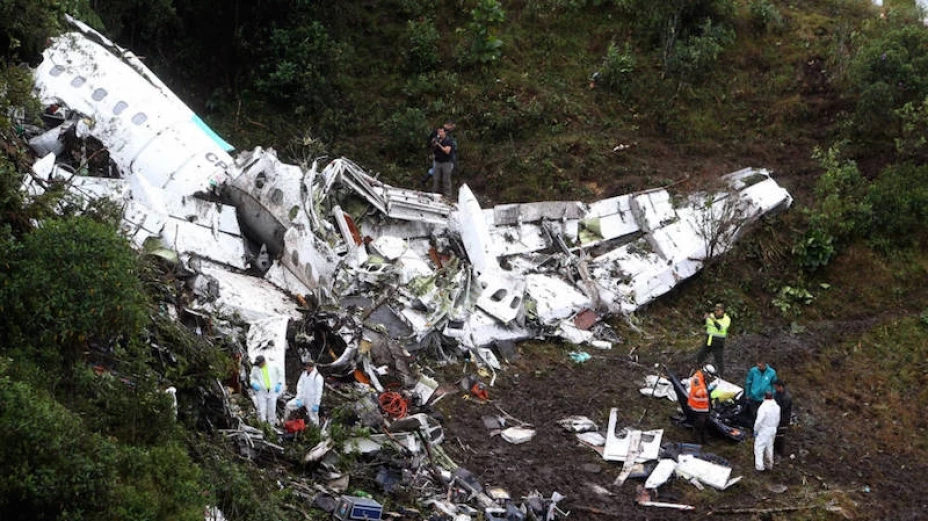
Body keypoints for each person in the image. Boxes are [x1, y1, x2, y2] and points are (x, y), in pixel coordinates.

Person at [285, 359, 325, 426]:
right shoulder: (304, 374)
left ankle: (315, 430)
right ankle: (285, 423)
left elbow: (319, 392)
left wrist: (316, 404)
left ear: (313, 366)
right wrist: (298, 398)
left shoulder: (318, 377)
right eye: (307, 366)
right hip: (302, 398)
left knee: (313, 418)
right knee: (288, 406)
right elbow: (299, 385)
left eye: (310, 366)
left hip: (311, 400)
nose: (308, 368)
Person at [696, 303, 731, 377]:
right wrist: (704, 318)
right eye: (716, 310)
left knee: (719, 360)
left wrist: (713, 319)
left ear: (723, 311)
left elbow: (720, 328)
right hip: (709, 340)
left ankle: (721, 375)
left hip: (718, 342)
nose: (716, 312)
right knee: (700, 355)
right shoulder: (711, 315)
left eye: (718, 310)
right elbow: (704, 324)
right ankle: (696, 370)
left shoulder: (727, 319)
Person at [249, 355, 283, 425]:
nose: (258, 365)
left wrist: (279, 383)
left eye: (259, 364)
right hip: (261, 392)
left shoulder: (273, 365)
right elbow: (252, 377)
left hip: (272, 391)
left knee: (272, 409)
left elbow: (281, 373)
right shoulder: (255, 368)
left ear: (263, 362)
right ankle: (263, 425)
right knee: (261, 410)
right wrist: (253, 384)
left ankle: (271, 425)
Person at [753, 391, 781, 471]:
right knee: (769, 447)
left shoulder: (763, 407)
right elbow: (778, 419)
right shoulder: (777, 407)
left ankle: (759, 467)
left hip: (764, 429)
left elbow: (759, 420)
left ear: (764, 397)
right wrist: (775, 427)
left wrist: (756, 429)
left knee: (759, 447)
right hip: (773, 429)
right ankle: (769, 464)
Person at [687, 365, 715, 444]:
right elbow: (698, 391)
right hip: (697, 406)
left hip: (704, 406)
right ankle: (697, 441)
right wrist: (707, 390)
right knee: (699, 424)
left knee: (706, 423)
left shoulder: (703, 379)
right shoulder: (696, 378)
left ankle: (706, 439)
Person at [429, 126, 456, 197]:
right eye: (438, 132)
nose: (439, 133)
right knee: (436, 179)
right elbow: (433, 149)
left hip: (446, 163)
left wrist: (439, 144)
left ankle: (448, 195)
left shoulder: (449, 141)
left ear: (444, 132)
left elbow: (446, 151)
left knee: (446, 179)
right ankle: (434, 193)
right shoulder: (437, 140)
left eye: (441, 132)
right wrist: (434, 144)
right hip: (437, 162)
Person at [773, 379, 793, 457]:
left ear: (780, 387)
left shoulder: (787, 397)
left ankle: (780, 453)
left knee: (780, 436)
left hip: (783, 420)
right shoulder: (776, 394)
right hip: (776, 418)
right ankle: (775, 451)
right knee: (775, 435)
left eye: (776, 387)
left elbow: (782, 409)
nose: (775, 388)